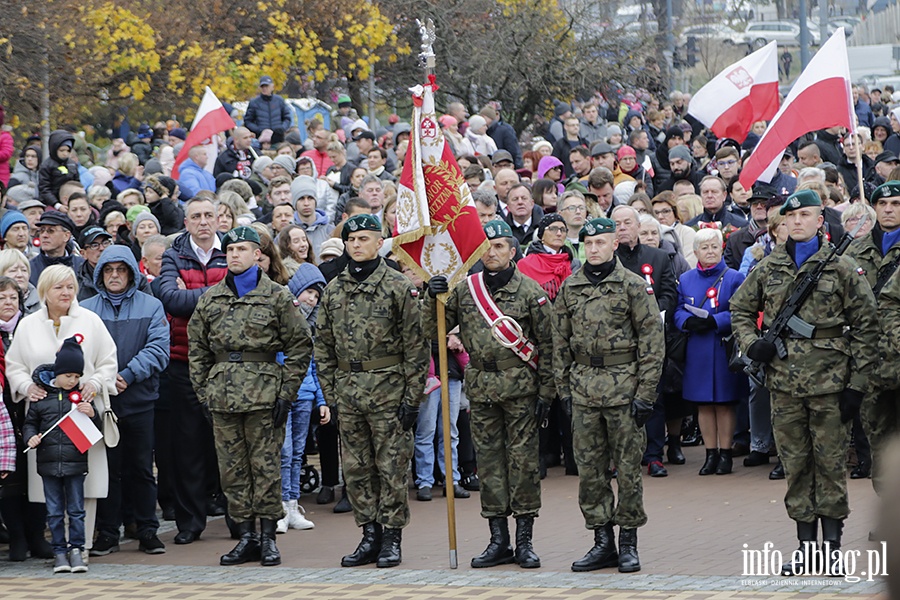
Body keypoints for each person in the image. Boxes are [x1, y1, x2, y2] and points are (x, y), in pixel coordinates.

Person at [730, 188, 879, 576]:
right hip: (783, 385)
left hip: (831, 384)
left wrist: (856, 385)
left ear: (819, 220)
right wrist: (752, 345)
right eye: (790, 217)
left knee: (829, 464)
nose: (797, 222)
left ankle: (830, 547)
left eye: (805, 215)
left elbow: (867, 326)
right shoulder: (768, 267)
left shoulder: (842, 267)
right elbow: (740, 308)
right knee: (796, 466)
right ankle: (805, 547)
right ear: (782, 223)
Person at [426, 219, 554, 569]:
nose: (492, 252)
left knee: (523, 464)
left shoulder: (531, 292)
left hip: (521, 390)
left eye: (499, 246)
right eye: (487, 246)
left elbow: (549, 344)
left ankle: (525, 540)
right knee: (490, 465)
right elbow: (431, 327)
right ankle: (499, 540)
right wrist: (432, 295)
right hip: (482, 389)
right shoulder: (467, 290)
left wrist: (546, 392)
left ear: (513, 251)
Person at [188, 226, 312, 567]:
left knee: (266, 468)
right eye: (229, 250)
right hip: (223, 396)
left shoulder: (277, 296)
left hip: (265, 396)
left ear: (258, 255)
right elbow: (197, 349)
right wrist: (202, 393)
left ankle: (269, 537)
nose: (234, 255)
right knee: (233, 471)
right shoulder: (212, 298)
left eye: (241, 249)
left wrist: (287, 393)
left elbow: (300, 345)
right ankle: (246, 536)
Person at [315, 214, 428, 568]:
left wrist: (412, 399)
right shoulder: (334, 288)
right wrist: (331, 393)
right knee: (357, 469)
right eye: (351, 240)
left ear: (380, 243)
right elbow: (323, 345)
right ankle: (369, 535)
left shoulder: (397, 286)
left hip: (388, 390)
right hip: (349, 393)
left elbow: (416, 347)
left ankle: (392, 538)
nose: (357, 245)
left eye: (364, 239)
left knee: (391, 467)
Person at [552, 217, 664, 573]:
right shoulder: (570, 288)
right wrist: (564, 391)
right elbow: (559, 344)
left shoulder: (633, 286)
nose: (594, 248)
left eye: (601, 242)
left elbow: (651, 342)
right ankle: (602, 541)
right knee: (590, 472)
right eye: (588, 243)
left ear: (615, 243)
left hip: (624, 389)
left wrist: (646, 393)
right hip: (584, 389)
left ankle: (628, 541)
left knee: (629, 470)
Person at [6, 265, 118, 558]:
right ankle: (58, 546)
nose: (66, 292)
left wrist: (95, 382)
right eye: (59, 287)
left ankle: (83, 545)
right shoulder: (28, 325)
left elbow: (108, 361)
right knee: (50, 482)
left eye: (70, 286)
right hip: (45, 419)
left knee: (86, 481)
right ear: (44, 291)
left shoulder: (91, 321)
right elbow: (14, 365)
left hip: (81, 415)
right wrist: (25, 386)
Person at [82, 246, 170, 556]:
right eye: (109, 270)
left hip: (140, 400)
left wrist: (128, 375)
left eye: (121, 270)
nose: (115, 275)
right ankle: (108, 532)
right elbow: (79, 352)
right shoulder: (86, 309)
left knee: (142, 468)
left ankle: (147, 529)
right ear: (100, 274)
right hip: (102, 404)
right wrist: (103, 381)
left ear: (131, 273)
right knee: (107, 469)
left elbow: (159, 349)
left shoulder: (152, 305)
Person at [157, 197, 228, 545]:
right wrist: (220, 292)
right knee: (187, 447)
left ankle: (238, 521)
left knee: (230, 445)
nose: (203, 222)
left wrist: (195, 295)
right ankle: (190, 523)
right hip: (183, 364)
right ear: (185, 223)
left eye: (208, 215)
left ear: (218, 219)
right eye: (196, 216)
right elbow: (170, 299)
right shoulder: (173, 255)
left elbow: (245, 295)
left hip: (227, 365)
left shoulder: (232, 250)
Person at [23, 336, 101, 573]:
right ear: (57, 373)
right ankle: (59, 551)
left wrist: (91, 414)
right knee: (54, 512)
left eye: (77, 377)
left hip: (76, 465)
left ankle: (76, 549)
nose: (73, 381)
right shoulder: (41, 398)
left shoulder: (81, 399)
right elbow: (30, 424)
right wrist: (30, 437)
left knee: (76, 511)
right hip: (48, 465)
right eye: (68, 375)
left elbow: (95, 427)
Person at [674, 228, 748, 476]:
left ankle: (725, 454)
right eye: (704, 248)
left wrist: (716, 321)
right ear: (695, 252)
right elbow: (678, 309)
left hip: (722, 347)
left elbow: (741, 311)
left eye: (714, 246)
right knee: (703, 404)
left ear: (721, 249)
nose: (710, 251)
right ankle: (710, 453)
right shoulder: (686, 279)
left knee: (725, 403)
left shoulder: (735, 277)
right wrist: (686, 320)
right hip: (698, 350)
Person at [611, 206, 678, 477]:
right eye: (618, 223)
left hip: (652, 341)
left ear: (639, 227)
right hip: (618, 343)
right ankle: (621, 457)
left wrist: (651, 319)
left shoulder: (659, 257)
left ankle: (654, 455)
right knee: (619, 400)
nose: (623, 227)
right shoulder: (608, 259)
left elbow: (669, 294)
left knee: (653, 397)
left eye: (628, 222)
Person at [845, 180, 900, 493]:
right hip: (871, 362)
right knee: (878, 444)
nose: (889, 210)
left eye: (896, 204)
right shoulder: (856, 250)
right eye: (883, 205)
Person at [278, 264, 331, 533]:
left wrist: (321, 400)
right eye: (310, 292)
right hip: (283, 396)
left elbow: (314, 365)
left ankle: (292, 504)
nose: (312, 299)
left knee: (298, 453)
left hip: (305, 396)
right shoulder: (281, 318)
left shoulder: (311, 326)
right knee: (284, 452)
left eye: (316, 296)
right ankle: (280, 508)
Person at [518, 213, 576, 298]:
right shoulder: (526, 264)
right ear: (542, 235)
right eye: (553, 229)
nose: (559, 233)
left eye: (563, 229)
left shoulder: (573, 263)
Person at [29, 211, 85, 287]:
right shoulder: (30, 268)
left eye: (51, 231)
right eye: (41, 231)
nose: (44, 235)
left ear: (66, 236)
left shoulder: (82, 266)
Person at [244, 76, 292, 144]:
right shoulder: (254, 102)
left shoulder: (279, 100)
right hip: (261, 139)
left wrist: (281, 129)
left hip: (278, 138)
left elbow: (287, 118)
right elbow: (248, 121)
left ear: (272, 87)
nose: (264, 89)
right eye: (262, 87)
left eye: (266, 86)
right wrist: (259, 130)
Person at [38, 131, 79, 209]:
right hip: (51, 204)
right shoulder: (47, 166)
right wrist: (57, 205)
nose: (65, 153)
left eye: (68, 150)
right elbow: (44, 189)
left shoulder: (72, 164)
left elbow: (77, 184)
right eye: (62, 150)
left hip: (71, 202)